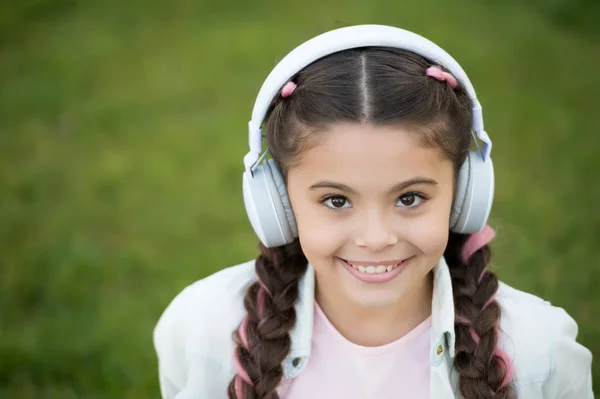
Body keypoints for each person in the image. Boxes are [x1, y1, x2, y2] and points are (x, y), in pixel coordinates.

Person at [152, 25, 594, 398]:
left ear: (465, 194)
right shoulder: (200, 329)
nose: (376, 237)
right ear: (279, 202)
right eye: (336, 201)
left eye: (409, 198)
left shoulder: (543, 351)